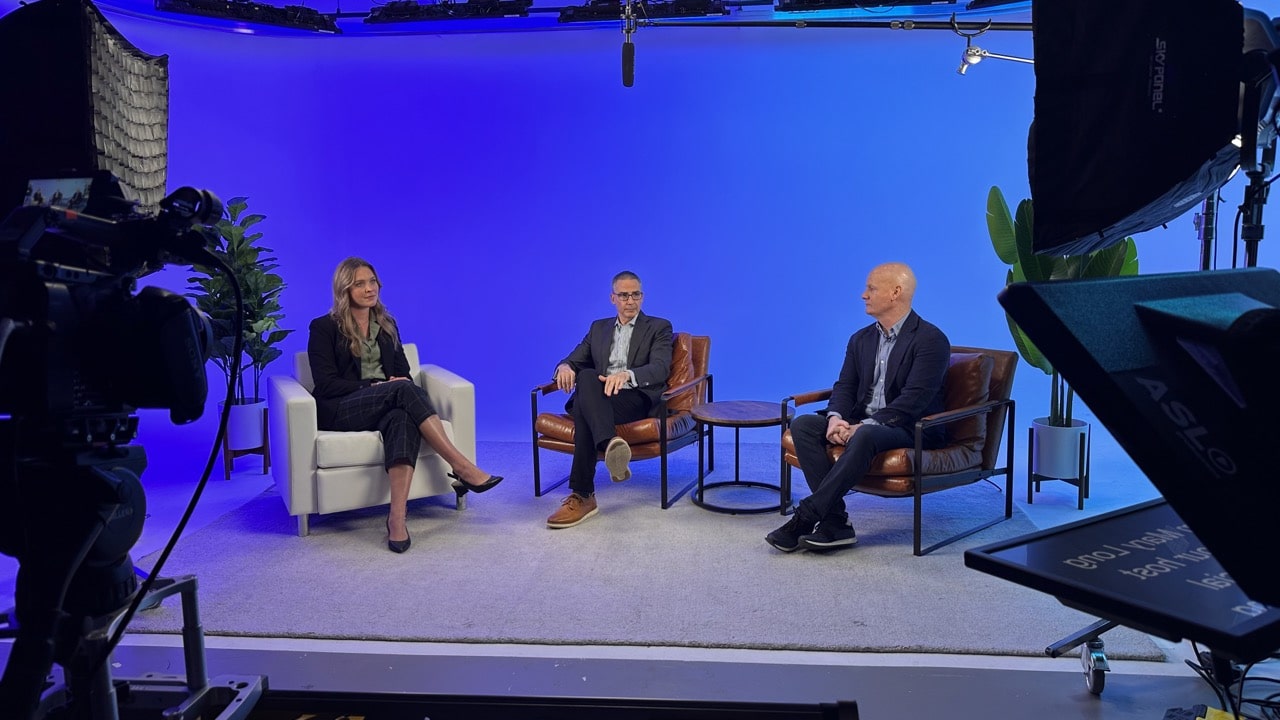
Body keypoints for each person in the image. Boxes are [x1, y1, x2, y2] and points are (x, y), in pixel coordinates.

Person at [308, 257, 503, 554]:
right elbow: (325, 383)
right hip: (343, 408)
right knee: (401, 389)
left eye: (372, 282)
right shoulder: (323, 327)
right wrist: (375, 386)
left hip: (387, 403)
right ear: (344, 289)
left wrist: (395, 384)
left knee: (402, 416)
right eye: (360, 284)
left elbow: (403, 372)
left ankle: (396, 518)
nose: (369, 289)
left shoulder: (387, 325)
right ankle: (461, 466)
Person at [768, 262, 950, 553]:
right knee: (802, 425)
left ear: (895, 293)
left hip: (911, 426)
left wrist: (861, 427)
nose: (863, 295)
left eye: (871, 288)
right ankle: (836, 522)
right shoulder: (861, 339)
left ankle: (806, 516)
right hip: (859, 421)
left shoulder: (931, 340)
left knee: (865, 436)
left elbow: (914, 400)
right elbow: (844, 386)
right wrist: (836, 419)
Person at [546, 270, 673, 529]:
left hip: (634, 398)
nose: (630, 301)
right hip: (601, 399)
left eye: (635, 294)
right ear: (612, 298)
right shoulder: (598, 328)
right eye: (624, 295)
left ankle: (583, 496)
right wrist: (565, 367)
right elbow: (574, 358)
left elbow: (661, 368)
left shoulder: (659, 327)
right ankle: (610, 443)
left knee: (583, 407)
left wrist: (627, 375)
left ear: (642, 296)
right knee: (588, 376)